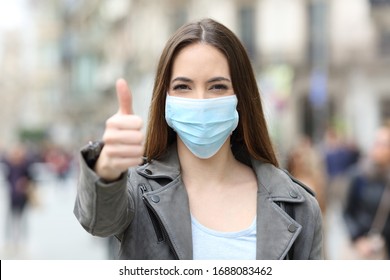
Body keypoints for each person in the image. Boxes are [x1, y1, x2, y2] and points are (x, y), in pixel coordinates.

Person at [74, 18, 323, 260]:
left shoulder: (298, 206)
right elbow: (98, 221)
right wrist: (106, 170)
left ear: (241, 97)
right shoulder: (137, 192)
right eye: (183, 87)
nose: (201, 102)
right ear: (165, 99)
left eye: (217, 87)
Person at [343, 123, 390, 259]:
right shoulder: (358, 176)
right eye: (377, 143)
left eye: (385, 144)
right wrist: (358, 239)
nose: (379, 148)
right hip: (363, 246)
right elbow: (347, 212)